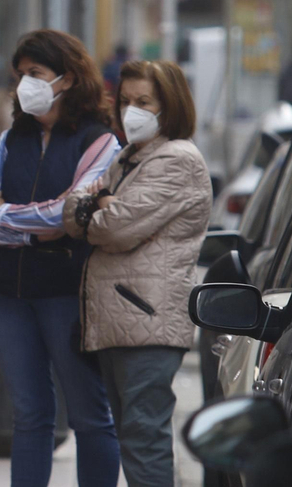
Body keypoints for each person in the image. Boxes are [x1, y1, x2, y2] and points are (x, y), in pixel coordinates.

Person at [0, 29, 122, 487]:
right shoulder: (12, 138)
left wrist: (7, 215)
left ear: (68, 79)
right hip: (7, 293)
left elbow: (69, 212)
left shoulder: (99, 142)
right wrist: (36, 231)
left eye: (35, 74)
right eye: (20, 75)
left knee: (89, 415)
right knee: (30, 414)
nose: (23, 85)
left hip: (66, 292)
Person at [64, 60, 210, 487]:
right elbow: (72, 216)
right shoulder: (130, 157)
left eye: (144, 102)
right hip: (120, 320)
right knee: (133, 438)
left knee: (144, 441)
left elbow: (115, 227)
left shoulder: (177, 160)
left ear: (170, 105)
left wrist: (99, 206)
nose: (131, 111)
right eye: (125, 100)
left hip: (148, 320)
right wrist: (96, 205)